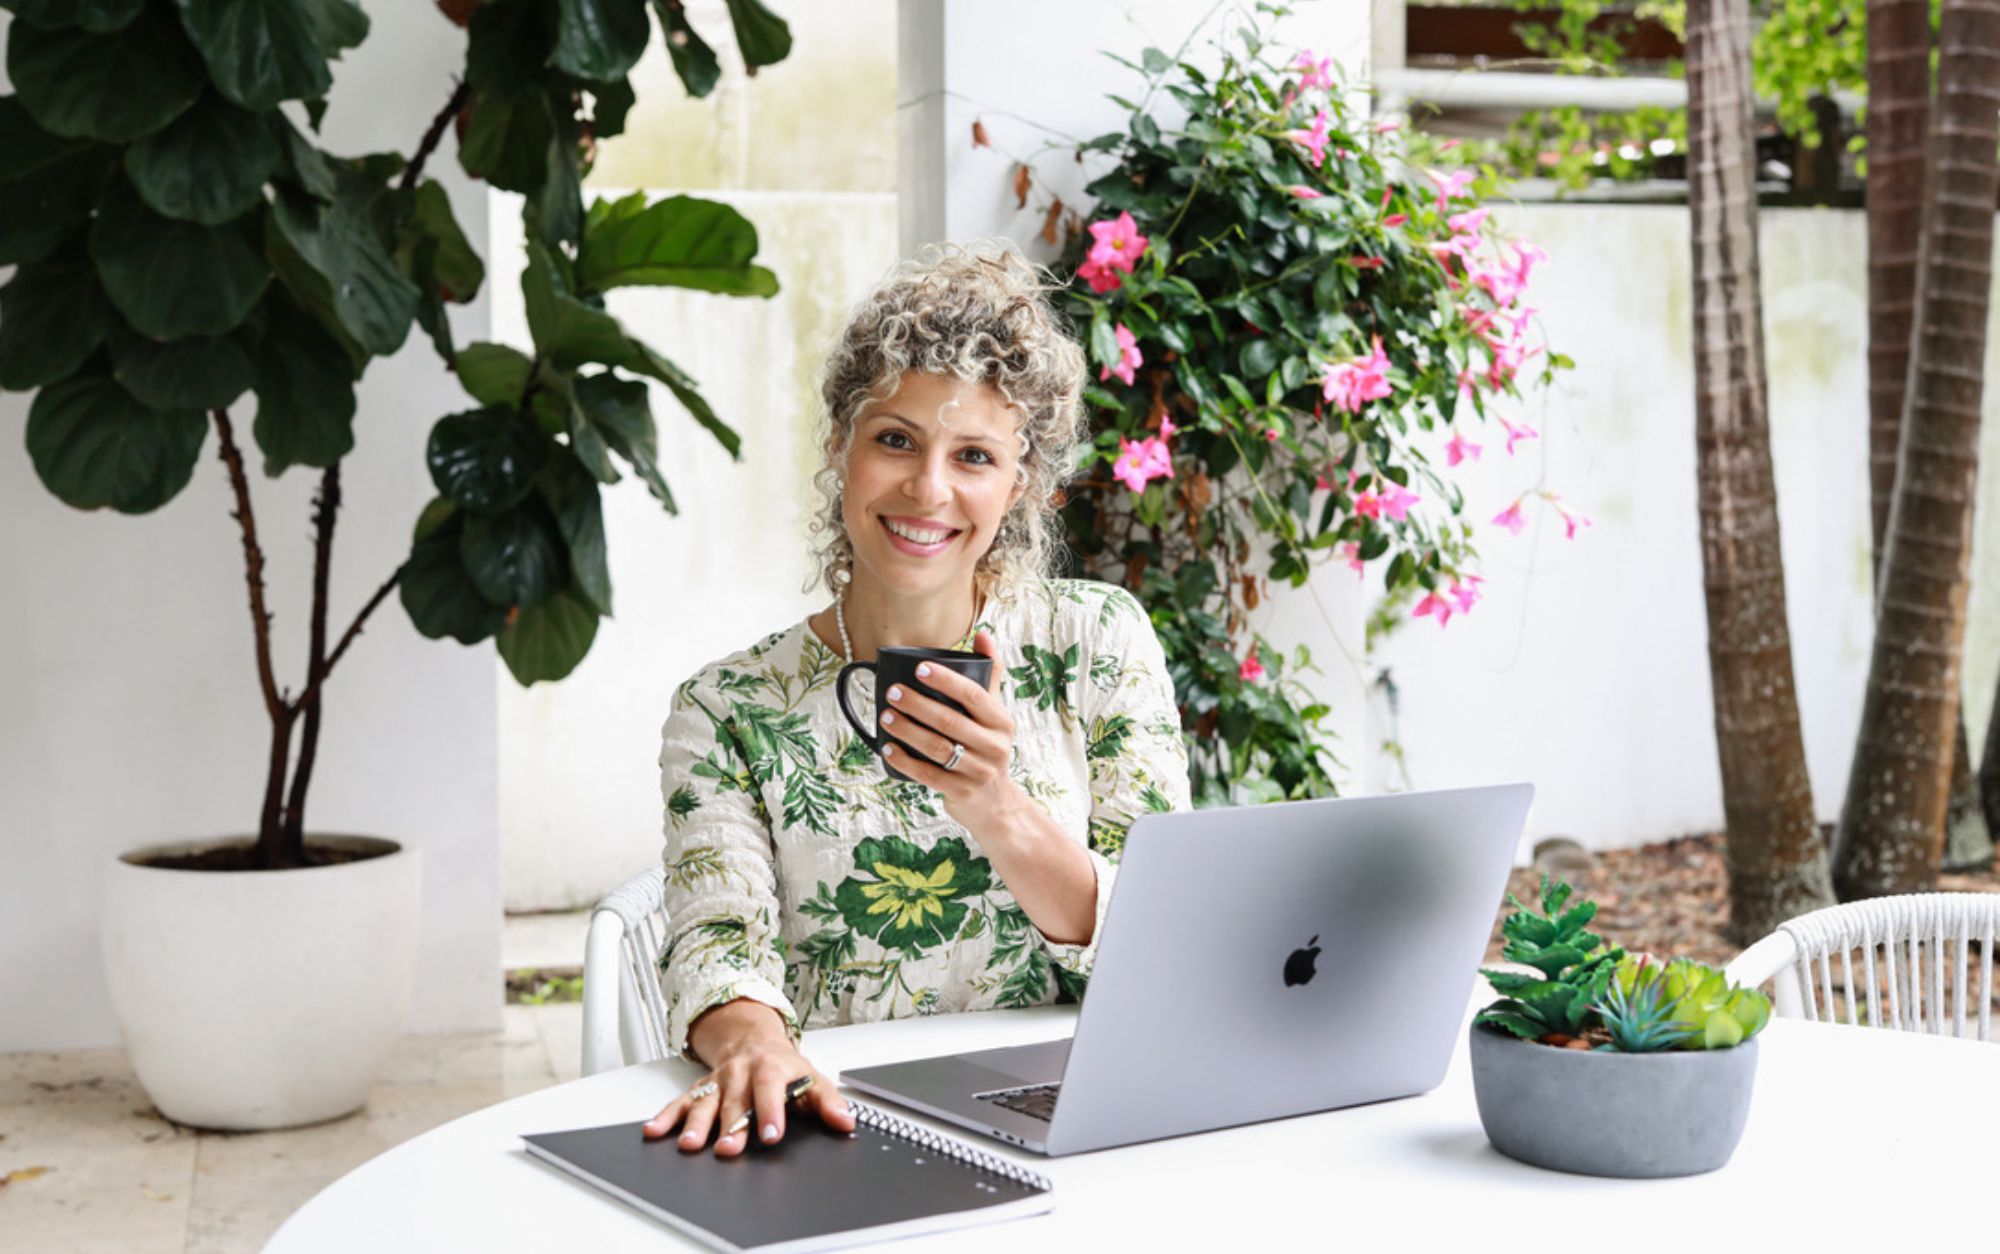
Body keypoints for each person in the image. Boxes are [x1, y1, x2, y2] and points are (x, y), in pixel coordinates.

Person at [641, 241, 1191, 1158]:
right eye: (895, 438)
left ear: (1021, 485)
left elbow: (1165, 941)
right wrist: (754, 1044)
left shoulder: (1098, 644)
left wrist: (994, 804)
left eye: (973, 455)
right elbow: (718, 941)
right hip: (846, 1126)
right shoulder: (728, 706)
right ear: (840, 448)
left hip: (1078, 1121)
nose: (928, 490)